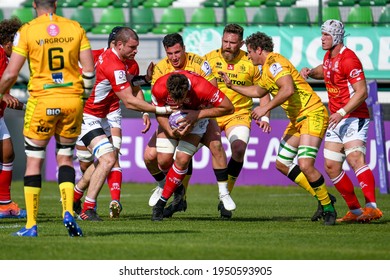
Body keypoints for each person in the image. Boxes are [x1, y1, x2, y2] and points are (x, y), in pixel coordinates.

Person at [219, 31, 337, 225]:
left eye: (249, 51)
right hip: (297, 119)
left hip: (312, 113)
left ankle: (328, 208)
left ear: (259, 49)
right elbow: (258, 91)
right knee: (282, 163)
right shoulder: (266, 69)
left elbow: (287, 89)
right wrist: (232, 86)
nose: (248, 56)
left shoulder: (275, 63)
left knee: (306, 165)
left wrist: (265, 107)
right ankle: (323, 198)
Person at [0, 0, 95, 237]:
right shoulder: (75, 28)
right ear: (55, 3)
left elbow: (11, 73)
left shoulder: (28, 30)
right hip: (71, 100)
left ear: (34, 5)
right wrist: (80, 98)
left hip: (42, 100)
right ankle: (68, 213)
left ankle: (31, 225)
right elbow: (90, 72)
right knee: (65, 157)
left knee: (34, 162)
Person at [75, 27, 172, 221]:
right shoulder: (113, 63)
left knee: (103, 161)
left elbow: (126, 81)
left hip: (100, 116)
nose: (136, 51)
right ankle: (88, 208)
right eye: (132, 47)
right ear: (119, 45)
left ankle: (75, 198)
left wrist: (144, 79)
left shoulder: (113, 59)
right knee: (109, 159)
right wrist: (160, 109)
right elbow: (128, 101)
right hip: (87, 116)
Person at [300, 19, 382, 223]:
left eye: (326, 35)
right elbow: (324, 69)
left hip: (354, 116)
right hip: (337, 119)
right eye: (322, 34)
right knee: (331, 166)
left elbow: (362, 92)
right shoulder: (329, 57)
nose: (322, 39)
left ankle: (372, 208)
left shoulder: (350, 59)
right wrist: (310, 72)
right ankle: (354, 211)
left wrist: (342, 111)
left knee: (355, 158)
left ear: (336, 37)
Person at [145, 33, 217, 215]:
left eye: (177, 52)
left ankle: (224, 196)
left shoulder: (199, 63)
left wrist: (195, 117)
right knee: (151, 157)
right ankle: (167, 186)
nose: (174, 57)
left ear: (184, 48)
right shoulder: (161, 68)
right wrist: (151, 115)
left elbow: (212, 90)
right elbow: (156, 101)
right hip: (172, 117)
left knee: (216, 146)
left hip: (198, 113)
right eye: (170, 54)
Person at [204, 23, 271, 219]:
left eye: (232, 42)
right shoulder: (209, 59)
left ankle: (226, 195)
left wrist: (265, 115)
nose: (227, 45)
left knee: (239, 149)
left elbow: (263, 90)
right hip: (213, 114)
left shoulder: (250, 62)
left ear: (241, 43)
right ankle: (179, 196)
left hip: (238, 113)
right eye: (225, 41)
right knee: (185, 152)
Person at [151, 70, 235, 221]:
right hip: (170, 119)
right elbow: (158, 113)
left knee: (183, 159)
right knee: (162, 161)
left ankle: (160, 203)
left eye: (181, 99)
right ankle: (177, 189)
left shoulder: (202, 88)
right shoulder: (159, 87)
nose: (177, 104)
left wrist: (197, 115)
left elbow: (229, 108)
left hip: (199, 116)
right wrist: (170, 131)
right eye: (173, 100)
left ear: (187, 91)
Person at [0, 17, 27, 219]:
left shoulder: (7, 58)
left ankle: (4, 203)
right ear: (9, 42)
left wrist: (25, 105)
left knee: (7, 154)